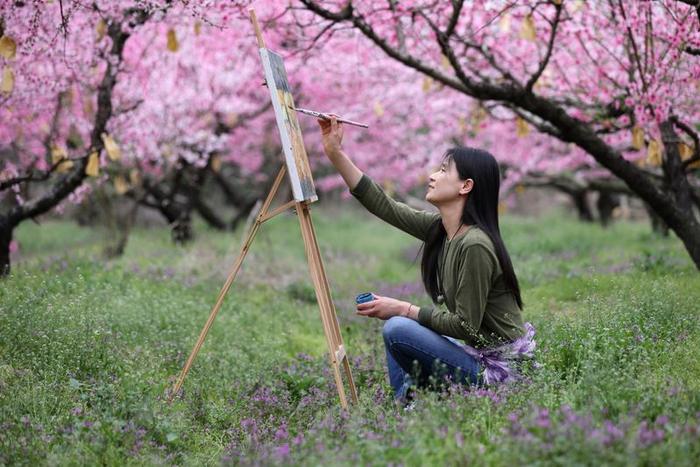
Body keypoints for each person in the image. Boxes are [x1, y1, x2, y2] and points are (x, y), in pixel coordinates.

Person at [317, 117, 535, 403]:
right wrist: (336, 154)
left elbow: (466, 327)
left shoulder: (475, 245)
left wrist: (404, 308)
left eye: (444, 171)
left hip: (499, 372)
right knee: (402, 326)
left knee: (398, 327)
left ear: (465, 186)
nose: (432, 176)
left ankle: (410, 404)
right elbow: (385, 206)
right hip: (477, 352)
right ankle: (411, 400)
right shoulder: (443, 231)